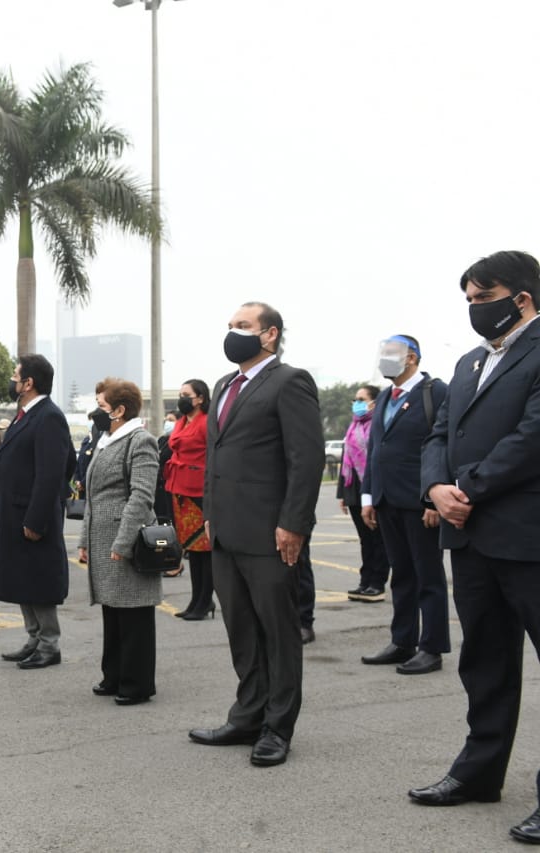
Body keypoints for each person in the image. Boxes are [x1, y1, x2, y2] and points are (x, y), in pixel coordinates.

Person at [410, 251, 540, 846]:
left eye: (481, 296)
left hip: (527, 534)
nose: (473, 308)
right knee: (484, 660)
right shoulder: (467, 364)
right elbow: (440, 433)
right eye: (466, 299)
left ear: (521, 298)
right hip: (472, 537)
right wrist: (435, 485)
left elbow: (532, 436)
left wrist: (466, 488)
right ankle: (479, 771)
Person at [189, 302, 324, 768]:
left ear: (269, 335)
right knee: (241, 629)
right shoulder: (226, 385)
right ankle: (247, 715)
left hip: (270, 533)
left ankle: (278, 726)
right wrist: (210, 512)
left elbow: (305, 461)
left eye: (242, 326)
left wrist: (293, 524)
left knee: (278, 632)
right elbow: (216, 457)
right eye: (229, 326)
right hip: (226, 531)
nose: (232, 333)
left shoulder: (290, 382)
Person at [358, 334, 450, 675]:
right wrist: (369, 496)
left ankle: (432, 647)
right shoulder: (384, 397)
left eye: (391, 352)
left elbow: (445, 447)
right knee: (402, 575)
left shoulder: (435, 393)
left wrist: (434, 497)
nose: (385, 358)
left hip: (419, 502)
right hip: (386, 501)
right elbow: (375, 451)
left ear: (412, 357)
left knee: (429, 576)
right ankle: (403, 641)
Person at [78, 379, 160, 704]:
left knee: (133, 611)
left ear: (119, 410)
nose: (96, 412)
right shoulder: (106, 439)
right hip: (102, 535)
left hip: (125, 536)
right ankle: (113, 675)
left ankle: (137, 683)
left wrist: (123, 541)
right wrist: (85, 538)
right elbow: (93, 496)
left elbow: (141, 495)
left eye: (101, 406)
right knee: (113, 610)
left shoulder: (140, 440)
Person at [0, 354, 74, 669]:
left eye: (16, 376)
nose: (13, 381)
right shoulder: (25, 414)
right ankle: (34, 638)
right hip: (14, 512)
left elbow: (53, 472)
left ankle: (49, 645)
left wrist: (36, 518)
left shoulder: (48, 416)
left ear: (29, 383)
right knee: (23, 580)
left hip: (31, 516)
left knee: (39, 581)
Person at [165, 379, 215, 620]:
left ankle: (204, 601)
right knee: (192, 551)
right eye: (180, 394)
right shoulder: (183, 421)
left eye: (187, 394)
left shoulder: (208, 422)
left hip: (199, 491)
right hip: (180, 489)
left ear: (201, 398)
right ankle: (197, 600)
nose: (182, 398)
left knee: (204, 550)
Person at [340, 385, 390, 603]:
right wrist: (343, 494)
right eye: (355, 399)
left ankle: (377, 583)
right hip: (354, 491)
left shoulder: (379, 426)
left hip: (374, 489)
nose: (356, 403)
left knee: (378, 539)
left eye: (361, 399)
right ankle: (365, 581)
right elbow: (346, 462)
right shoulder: (352, 427)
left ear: (374, 403)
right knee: (364, 539)